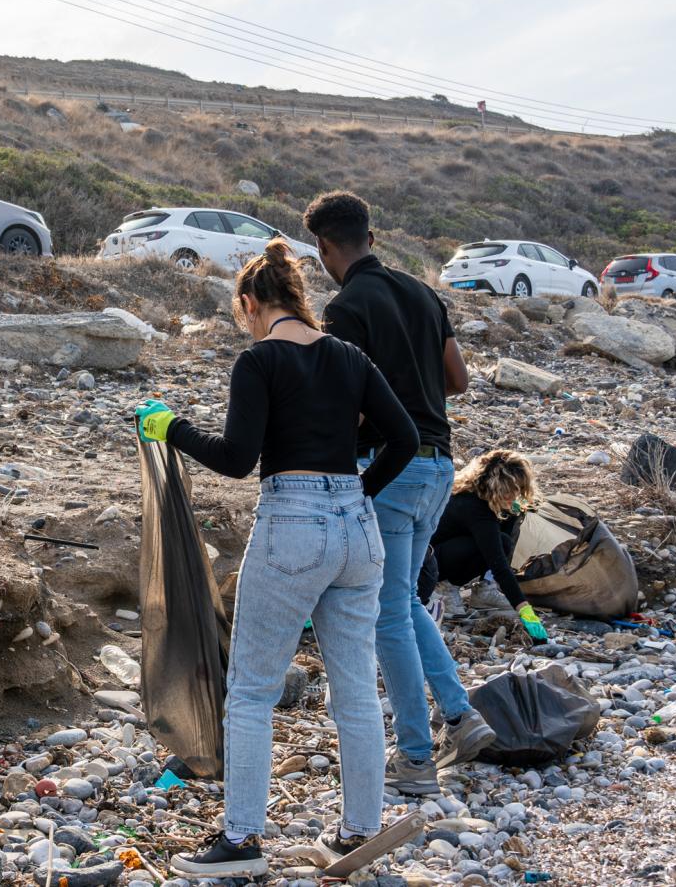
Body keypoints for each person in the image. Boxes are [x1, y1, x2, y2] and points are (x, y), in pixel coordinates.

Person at [137, 241, 418, 879]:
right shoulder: (349, 357)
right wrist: (359, 493)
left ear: (250, 303)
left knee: (252, 691)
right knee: (355, 690)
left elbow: (237, 459)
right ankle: (358, 832)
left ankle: (241, 842)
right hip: (357, 530)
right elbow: (403, 437)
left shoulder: (259, 360)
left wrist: (170, 426)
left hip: (291, 523)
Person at [309, 190, 494, 796]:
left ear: (325, 248)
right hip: (439, 466)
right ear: (371, 237)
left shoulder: (345, 308)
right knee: (407, 602)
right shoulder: (422, 293)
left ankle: (416, 755)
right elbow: (458, 379)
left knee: (389, 611)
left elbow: (349, 404)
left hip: (388, 466)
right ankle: (461, 716)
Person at [424, 450, 548, 642]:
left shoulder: (484, 498)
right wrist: (526, 611)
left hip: (445, 551)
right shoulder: (474, 506)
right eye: (510, 490)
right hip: (429, 565)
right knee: (496, 543)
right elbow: (499, 564)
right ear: (497, 485)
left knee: (510, 519)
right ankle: (444, 588)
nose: (514, 495)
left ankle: (484, 589)